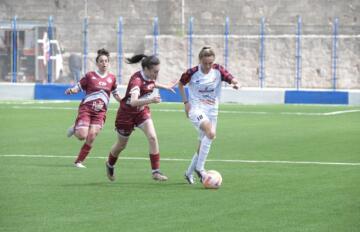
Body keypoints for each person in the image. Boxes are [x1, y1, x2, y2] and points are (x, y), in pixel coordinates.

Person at [105, 54, 177, 182]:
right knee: (121, 145)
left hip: (141, 112)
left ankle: (155, 172)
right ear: (147, 69)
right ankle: (110, 164)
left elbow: (151, 83)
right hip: (126, 115)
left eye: (158, 71)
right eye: (155, 71)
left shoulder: (149, 76)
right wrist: (151, 100)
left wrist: (165, 86)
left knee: (153, 137)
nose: (156, 74)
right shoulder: (136, 81)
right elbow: (133, 102)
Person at [178, 47, 239, 184]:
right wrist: (186, 102)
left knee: (204, 143)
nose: (207, 66)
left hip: (212, 110)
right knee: (210, 133)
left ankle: (188, 173)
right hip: (196, 109)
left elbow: (231, 78)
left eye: (210, 63)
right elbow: (180, 84)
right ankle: (200, 169)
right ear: (200, 60)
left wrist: (236, 84)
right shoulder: (192, 72)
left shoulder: (218, 70)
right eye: (205, 63)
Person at [65, 48, 121, 168]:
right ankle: (75, 128)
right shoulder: (90, 76)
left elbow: (115, 93)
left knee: (92, 136)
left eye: (106, 61)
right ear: (97, 63)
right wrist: (72, 90)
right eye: (101, 61)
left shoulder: (112, 78)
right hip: (87, 109)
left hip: (100, 113)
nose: (104, 63)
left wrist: (123, 101)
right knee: (82, 136)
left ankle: (79, 161)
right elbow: (78, 87)